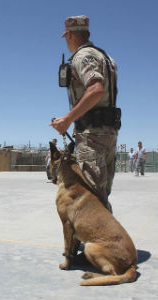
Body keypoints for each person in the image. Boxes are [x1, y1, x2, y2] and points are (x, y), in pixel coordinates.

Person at [51, 15, 120, 212]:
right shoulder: (105, 58)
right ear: (88, 33)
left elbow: (96, 89)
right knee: (100, 196)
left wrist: (67, 119)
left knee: (91, 197)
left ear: (70, 34)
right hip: (108, 132)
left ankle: (101, 241)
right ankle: (107, 240)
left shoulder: (83, 57)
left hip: (92, 135)